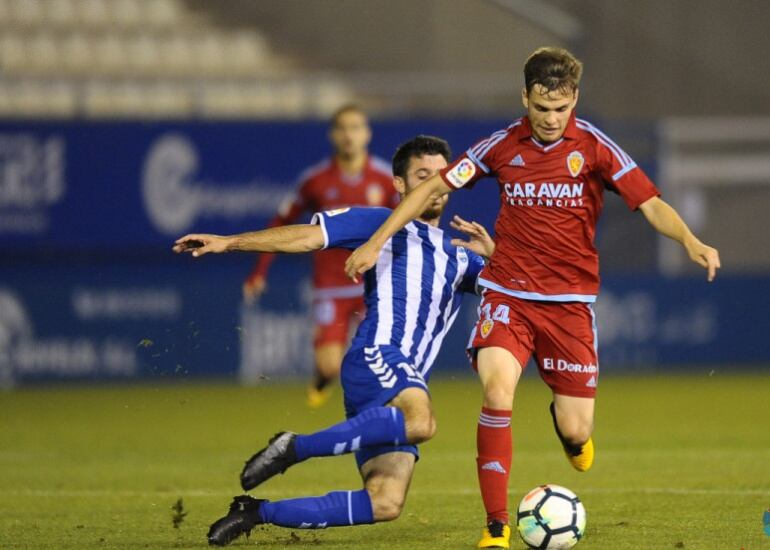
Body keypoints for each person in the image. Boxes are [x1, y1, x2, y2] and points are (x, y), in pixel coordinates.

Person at [344, 47, 721, 549]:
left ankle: (570, 435)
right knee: (497, 392)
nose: (550, 119)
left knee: (575, 428)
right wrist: (375, 240)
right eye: (541, 108)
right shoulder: (500, 146)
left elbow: (649, 203)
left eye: (561, 109)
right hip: (508, 296)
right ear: (525, 97)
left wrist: (691, 241)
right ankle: (496, 525)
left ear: (574, 101)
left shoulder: (595, 148)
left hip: (569, 306)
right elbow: (431, 186)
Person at [173, 136, 495, 546]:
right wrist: (230, 242)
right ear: (399, 184)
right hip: (378, 356)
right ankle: (295, 447)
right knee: (422, 422)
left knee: (385, 503)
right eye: (422, 176)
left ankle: (255, 512)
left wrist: (496, 255)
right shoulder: (382, 223)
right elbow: (307, 237)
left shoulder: (462, 255)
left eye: (441, 175)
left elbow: (516, 293)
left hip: (398, 385)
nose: (435, 184)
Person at [243, 104, 398, 408]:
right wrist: (259, 271)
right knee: (329, 366)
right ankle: (322, 379)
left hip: (373, 283)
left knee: (377, 363)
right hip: (330, 286)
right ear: (333, 135)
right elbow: (281, 222)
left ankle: (371, 414)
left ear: (367, 134)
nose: (348, 135)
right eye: (342, 128)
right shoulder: (315, 180)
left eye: (355, 127)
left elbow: (404, 222)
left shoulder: (384, 179)